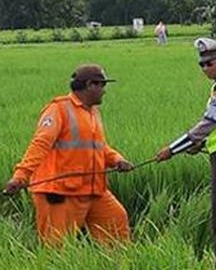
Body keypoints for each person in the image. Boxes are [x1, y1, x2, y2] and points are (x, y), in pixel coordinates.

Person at [3, 64, 134, 245]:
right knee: (57, 248)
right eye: (102, 85)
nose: (104, 91)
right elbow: (40, 144)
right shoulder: (58, 109)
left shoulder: (93, 112)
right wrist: (21, 176)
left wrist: (117, 160)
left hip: (93, 189)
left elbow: (99, 147)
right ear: (90, 85)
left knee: (116, 223)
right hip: (60, 192)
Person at [155, 37, 216, 259]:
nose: (205, 68)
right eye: (201, 64)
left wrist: (172, 149)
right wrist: (201, 144)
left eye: (209, 63)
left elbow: (209, 122)